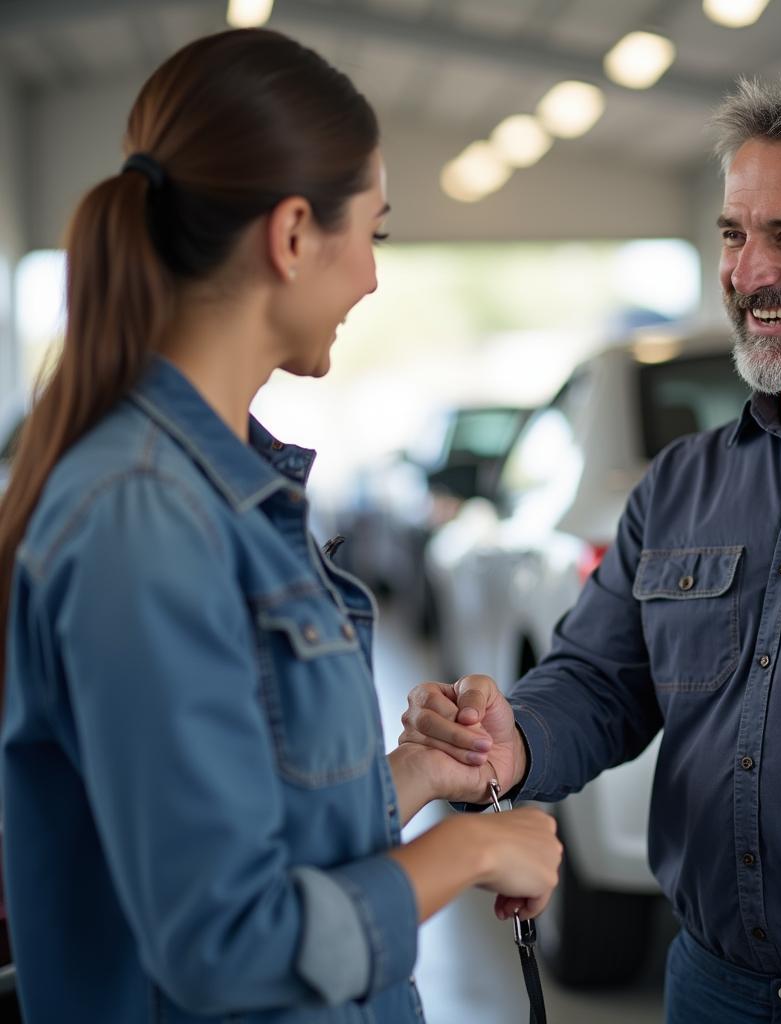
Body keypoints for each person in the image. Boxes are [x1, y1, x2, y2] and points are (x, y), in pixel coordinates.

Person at [401, 79, 781, 1024]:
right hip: (711, 990)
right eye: (734, 234)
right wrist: (507, 738)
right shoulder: (681, 483)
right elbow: (602, 682)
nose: (749, 273)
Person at [0, 28, 562, 1024]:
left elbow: (259, 831)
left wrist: (420, 773)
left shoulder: (234, 491)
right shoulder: (142, 519)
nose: (374, 279)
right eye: (374, 235)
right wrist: (468, 849)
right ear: (294, 233)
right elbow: (224, 939)